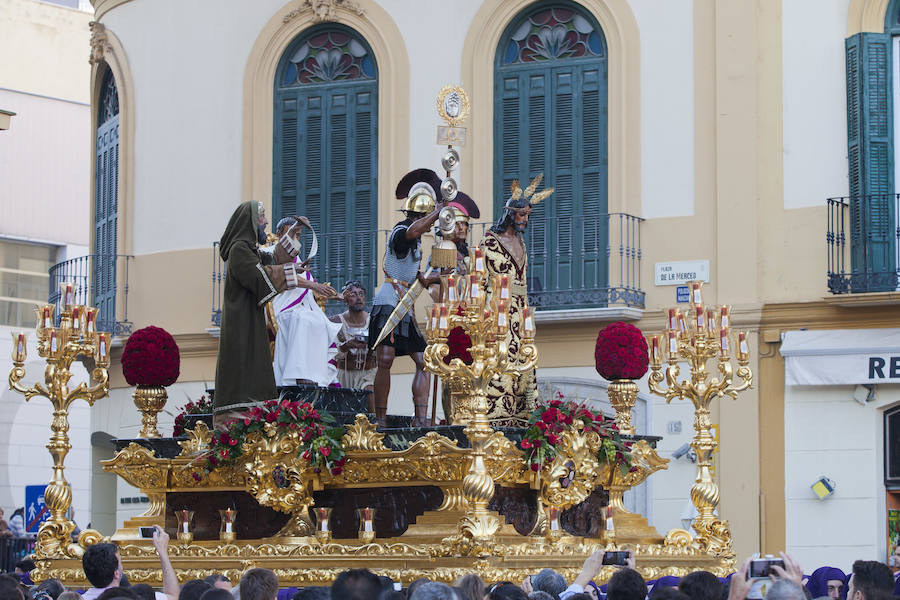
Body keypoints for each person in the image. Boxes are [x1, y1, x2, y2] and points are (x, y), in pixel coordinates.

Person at [213, 202, 320, 426]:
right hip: (241, 323)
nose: (266, 223)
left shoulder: (247, 249)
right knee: (244, 364)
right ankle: (235, 419)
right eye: (262, 218)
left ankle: (254, 413)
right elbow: (259, 276)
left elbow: (272, 260)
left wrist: (293, 231)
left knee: (254, 364)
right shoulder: (239, 250)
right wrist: (289, 273)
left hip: (249, 319)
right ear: (251, 222)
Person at [369, 169, 444, 425]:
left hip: (405, 306)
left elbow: (417, 275)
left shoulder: (417, 243)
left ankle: (420, 418)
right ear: (420, 217)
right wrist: (438, 211)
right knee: (386, 359)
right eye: (428, 219)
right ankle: (380, 418)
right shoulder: (400, 232)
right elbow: (411, 232)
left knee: (423, 360)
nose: (431, 225)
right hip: (389, 302)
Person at [480, 175, 552, 425]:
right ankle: (495, 412)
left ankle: (523, 413)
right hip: (497, 309)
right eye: (521, 215)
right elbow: (480, 279)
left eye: (528, 216)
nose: (525, 220)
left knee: (525, 358)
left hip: (521, 311)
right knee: (500, 359)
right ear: (510, 214)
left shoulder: (521, 242)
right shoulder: (489, 241)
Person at [268, 216, 340, 388]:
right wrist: (314, 285)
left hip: (302, 307)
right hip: (285, 307)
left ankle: (316, 375)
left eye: (298, 235)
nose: (295, 239)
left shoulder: (298, 260)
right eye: (292, 233)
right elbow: (287, 278)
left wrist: (335, 295)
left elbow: (309, 292)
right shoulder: (273, 252)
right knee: (304, 320)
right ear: (279, 234)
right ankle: (298, 375)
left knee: (321, 323)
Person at [81, 526, 177, 600]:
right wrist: (163, 553)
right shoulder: (136, 597)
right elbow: (174, 596)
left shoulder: (80, 598)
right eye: (120, 562)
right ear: (116, 574)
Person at [330, 280, 376, 409]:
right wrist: (346, 346)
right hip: (344, 373)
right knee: (344, 412)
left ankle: (374, 425)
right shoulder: (335, 322)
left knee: (370, 394)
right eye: (353, 294)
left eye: (361, 294)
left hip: (368, 373)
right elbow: (330, 353)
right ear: (345, 299)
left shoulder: (373, 321)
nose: (358, 298)